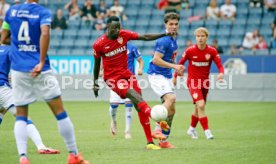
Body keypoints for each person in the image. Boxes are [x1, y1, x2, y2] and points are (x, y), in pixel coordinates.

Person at [1, 1, 89, 163]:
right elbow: (45, 34)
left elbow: (4, 38)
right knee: (60, 112)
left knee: (21, 115)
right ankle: (73, 155)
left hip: (19, 69)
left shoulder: (11, 11)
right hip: (40, 68)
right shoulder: (43, 12)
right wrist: (41, 61)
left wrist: (20, 46)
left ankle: (23, 157)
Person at [93, 16, 181, 150]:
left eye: (119, 27)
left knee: (139, 104)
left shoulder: (124, 35)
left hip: (127, 74)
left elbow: (145, 37)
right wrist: (95, 83)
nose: (117, 30)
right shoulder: (99, 44)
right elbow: (96, 64)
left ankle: (150, 143)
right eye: (114, 28)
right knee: (133, 94)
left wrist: (164, 33)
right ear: (107, 27)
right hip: (113, 79)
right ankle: (154, 115)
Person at [0, 45, 60, 155]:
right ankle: (41, 147)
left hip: (3, 87)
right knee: (23, 116)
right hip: (2, 89)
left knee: (1, 112)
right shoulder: (9, 50)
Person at [173, 27, 224, 140]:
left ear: (206, 37)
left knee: (198, 107)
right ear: (195, 38)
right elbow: (180, 64)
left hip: (205, 83)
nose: (200, 38)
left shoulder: (212, 51)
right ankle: (207, 131)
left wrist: (221, 73)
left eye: (202, 36)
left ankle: (191, 129)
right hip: (193, 82)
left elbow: (220, 65)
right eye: (198, 36)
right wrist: (175, 77)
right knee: (201, 105)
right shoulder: (190, 51)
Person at [147, 12, 183, 149]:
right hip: (157, 75)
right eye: (171, 24)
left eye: (176, 24)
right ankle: (156, 128)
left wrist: (174, 73)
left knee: (172, 111)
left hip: (166, 76)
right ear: (166, 25)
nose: (174, 26)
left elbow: (169, 59)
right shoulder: (164, 40)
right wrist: (175, 66)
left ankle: (163, 142)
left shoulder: (173, 39)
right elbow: (156, 59)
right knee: (171, 98)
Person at [108, 42, 144, 139]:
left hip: (129, 79)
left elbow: (140, 61)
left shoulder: (132, 47)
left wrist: (140, 69)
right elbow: (105, 60)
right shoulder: (111, 46)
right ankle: (114, 120)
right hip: (115, 79)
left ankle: (127, 131)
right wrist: (101, 70)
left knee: (129, 106)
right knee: (113, 106)